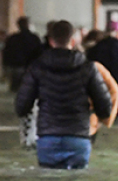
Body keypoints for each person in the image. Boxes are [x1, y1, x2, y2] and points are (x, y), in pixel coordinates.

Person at [14, 20, 112, 169]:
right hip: (78, 137)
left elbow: (21, 107)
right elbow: (105, 107)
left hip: (48, 138)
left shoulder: (37, 67)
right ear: (73, 41)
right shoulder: (88, 68)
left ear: (51, 41)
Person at [2, 16, 44, 92]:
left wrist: (5, 68)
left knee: (16, 90)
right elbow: (39, 53)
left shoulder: (13, 38)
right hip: (30, 68)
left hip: (16, 68)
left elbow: (6, 54)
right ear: (29, 25)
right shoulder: (34, 38)